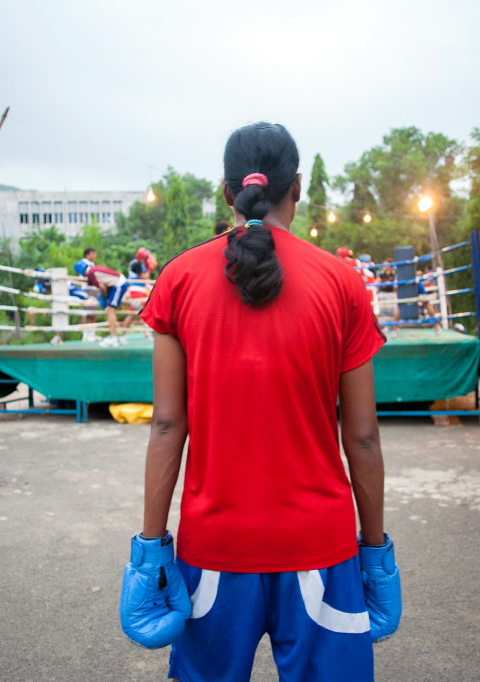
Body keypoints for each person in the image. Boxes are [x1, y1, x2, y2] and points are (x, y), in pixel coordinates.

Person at [119, 122, 401, 682]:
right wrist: (375, 554)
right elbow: (363, 436)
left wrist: (150, 550)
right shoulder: (342, 284)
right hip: (320, 546)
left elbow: (167, 426)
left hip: (216, 548)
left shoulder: (177, 279)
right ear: (296, 187)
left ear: (228, 193)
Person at [74, 259, 129, 347]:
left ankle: (113, 337)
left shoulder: (90, 274)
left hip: (118, 284)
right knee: (110, 309)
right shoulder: (95, 268)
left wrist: (104, 296)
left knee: (110, 310)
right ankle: (113, 336)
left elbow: (102, 287)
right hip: (117, 284)